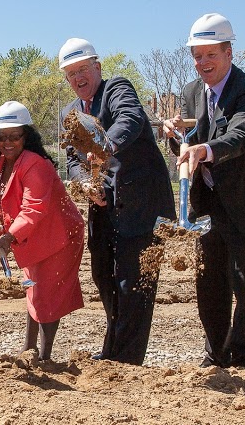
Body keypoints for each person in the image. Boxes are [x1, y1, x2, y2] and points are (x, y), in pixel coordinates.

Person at [163, 13, 245, 368]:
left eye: (210, 54)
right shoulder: (190, 92)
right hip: (209, 206)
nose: (203, 63)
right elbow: (189, 144)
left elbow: (241, 136)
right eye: (197, 56)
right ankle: (216, 355)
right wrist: (177, 138)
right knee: (210, 288)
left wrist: (204, 149)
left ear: (229, 52)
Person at [59, 38, 175, 365]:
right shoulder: (70, 112)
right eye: (71, 74)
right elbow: (72, 158)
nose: (78, 78)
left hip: (142, 206)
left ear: (97, 67)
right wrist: (84, 182)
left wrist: (103, 146)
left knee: (133, 284)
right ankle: (114, 349)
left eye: (83, 69)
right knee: (103, 276)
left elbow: (130, 120)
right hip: (104, 207)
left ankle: (126, 362)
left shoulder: (116, 89)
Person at [0, 101, 85, 361]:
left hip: (58, 236)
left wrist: (9, 236)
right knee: (33, 290)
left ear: (26, 136)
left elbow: (34, 207)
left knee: (46, 295)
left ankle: (44, 357)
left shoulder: (35, 164)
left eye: (14, 136)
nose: (7, 142)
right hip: (29, 237)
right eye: (2, 137)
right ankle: (29, 350)